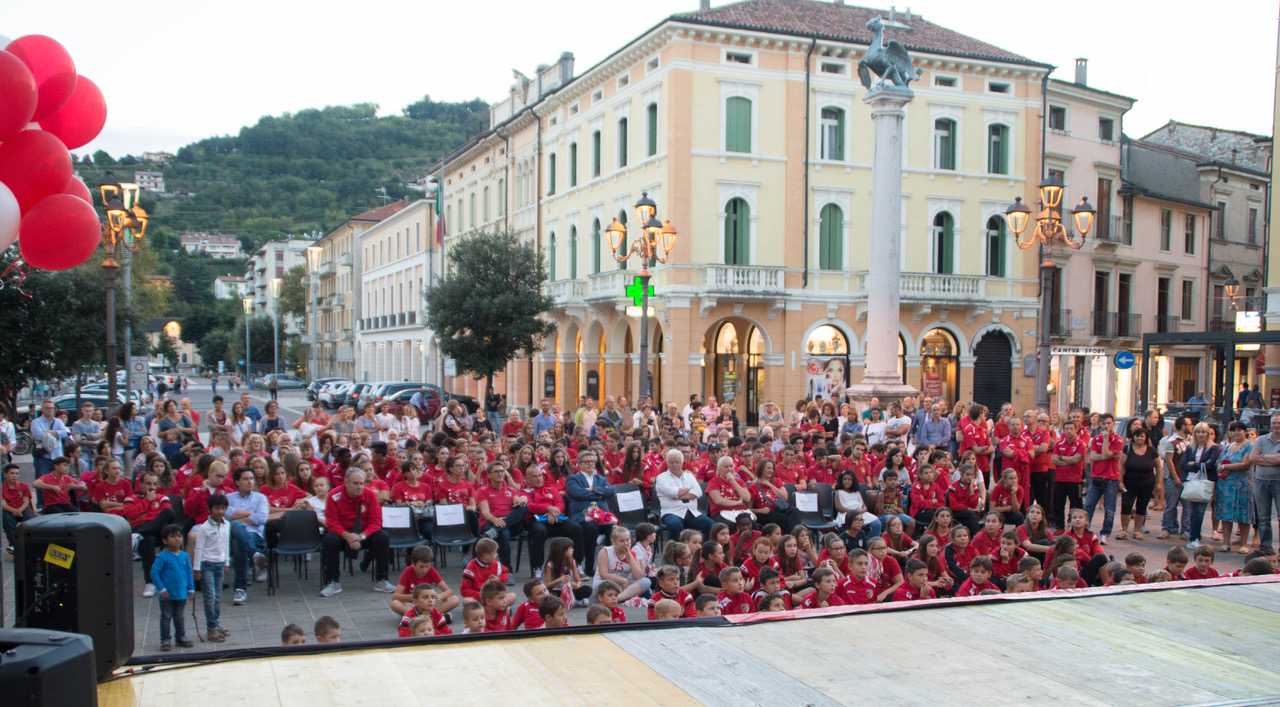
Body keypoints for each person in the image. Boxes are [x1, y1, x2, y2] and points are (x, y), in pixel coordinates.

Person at [320, 468, 394, 597]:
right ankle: (333, 581)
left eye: (361, 483)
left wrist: (360, 536)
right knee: (329, 540)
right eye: (355, 483)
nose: (359, 486)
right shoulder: (333, 495)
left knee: (382, 537)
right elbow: (331, 522)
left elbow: (376, 521)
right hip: (342, 534)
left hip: (363, 534)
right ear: (346, 483)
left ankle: (382, 580)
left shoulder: (369, 495)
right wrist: (348, 536)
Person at [564, 449, 616, 576]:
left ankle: (610, 564)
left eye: (592, 461)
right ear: (579, 464)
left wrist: (593, 489)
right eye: (587, 462)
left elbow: (611, 491)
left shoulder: (601, 479)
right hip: (582, 515)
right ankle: (589, 566)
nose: (590, 464)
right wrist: (599, 494)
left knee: (612, 527)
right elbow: (577, 493)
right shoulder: (573, 478)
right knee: (591, 528)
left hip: (602, 516)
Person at [225, 466, 269, 605]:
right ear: (237, 482)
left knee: (238, 541)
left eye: (251, 478)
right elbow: (227, 515)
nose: (250, 481)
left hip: (255, 537)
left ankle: (240, 589)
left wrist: (237, 518)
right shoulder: (228, 498)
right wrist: (250, 514)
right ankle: (255, 555)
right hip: (234, 536)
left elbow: (262, 518)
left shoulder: (260, 498)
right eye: (245, 479)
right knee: (236, 529)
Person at [192, 493, 231, 643]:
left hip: (220, 563)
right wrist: (197, 568)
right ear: (209, 509)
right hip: (207, 564)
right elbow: (199, 548)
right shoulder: (204, 528)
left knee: (218, 597)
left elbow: (226, 544)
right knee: (210, 597)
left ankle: (215, 623)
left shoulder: (227, 525)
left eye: (223, 508)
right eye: (217, 508)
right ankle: (211, 628)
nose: (220, 512)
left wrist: (226, 562)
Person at [150, 524, 195, 651]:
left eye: (179, 536)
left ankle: (180, 637)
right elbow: (154, 573)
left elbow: (188, 572)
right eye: (173, 537)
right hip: (167, 594)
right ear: (165, 540)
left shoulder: (185, 556)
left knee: (179, 615)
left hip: (181, 593)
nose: (177, 539)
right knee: (166, 616)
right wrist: (162, 589)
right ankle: (165, 639)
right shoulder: (162, 557)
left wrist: (190, 589)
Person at [1083, 413, 1124, 544]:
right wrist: (1106, 454)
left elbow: (1105, 454)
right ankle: (1084, 531)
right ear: (1100, 424)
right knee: (1088, 505)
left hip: (1111, 478)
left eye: (1109, 423)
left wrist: (1106, 440)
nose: (1106, 426)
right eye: (1104, 423)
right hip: (1096, 477)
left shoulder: (1118, 440)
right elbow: (1093, 457)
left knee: (1109, 508)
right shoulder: (1096, 439)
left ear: (1113, 424)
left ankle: (1105, 534)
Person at [1179, 422, 1221, 551]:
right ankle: (1193, 537)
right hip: (1190, 482)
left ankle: (1195, 538)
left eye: (1203, 432)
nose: (1201, 434)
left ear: (1208, 434)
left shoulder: (1214, 448)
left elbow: (1210, 465)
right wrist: (1199, 464)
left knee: (1199, 512)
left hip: (1205, 483)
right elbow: (1183, 464)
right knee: (1190, 512)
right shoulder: (1190, 447)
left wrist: (1194, 464)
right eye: (1198, 432)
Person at [655, 448, 713, 539]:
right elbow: (672, 492)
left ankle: (700, 551)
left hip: (692, 512)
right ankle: (675, 552)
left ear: (682, 463)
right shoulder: (661, 478)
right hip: (671, 512)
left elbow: (698, 492)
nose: (675, 465)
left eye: (677, 462)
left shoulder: (689, 476)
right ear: (667, 463)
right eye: (671, 462)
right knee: (674, 525)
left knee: (711, 525)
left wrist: (678, 495)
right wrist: (689, 490)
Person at [1117, 427, 1160, 542]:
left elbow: (1158, 467)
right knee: (1126, 506)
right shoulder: (1128, 449)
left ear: (1145, 438)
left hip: (1147, 483)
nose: (1139, 438)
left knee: (1142, 507)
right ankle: (1124, 530)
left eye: (1142, 436)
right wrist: (1120, 481)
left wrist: (1159, 483)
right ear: (1133, 437)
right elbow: (1121, 465)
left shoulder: (1151, 450)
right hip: (1129, 483)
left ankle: (1137, 530)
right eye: (1137, 436)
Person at [1248, 414, 1280, 552]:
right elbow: (1252, 457)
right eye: (1274, 423)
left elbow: (1260, 458)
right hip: (1261, 482)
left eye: (1279, 423)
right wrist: (1275, 459)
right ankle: (1265, 547)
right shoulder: (1261, 439)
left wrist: (1263, 457)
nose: (1276, 425)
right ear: (1270, 424)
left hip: (1278, 482)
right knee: (1263, 518)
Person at [30, 400, 70, 481]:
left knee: (57, 480)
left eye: (51, 408)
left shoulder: (58, 421)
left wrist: (49, 433)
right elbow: (38, 435)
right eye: (47, 408)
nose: (50, 410)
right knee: (42, 481)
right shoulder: (36, 422)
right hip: (42, 456)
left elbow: (65, 433)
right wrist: (56, 434)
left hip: (56, 456)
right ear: (42, 409)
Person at [2, 463, 34, 553]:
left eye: (16, 473)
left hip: (22, 509)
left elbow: (26, 501)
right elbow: (3, 504)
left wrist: (20, 510)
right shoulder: (2, 487)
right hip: (9, 509)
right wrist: (13, 510)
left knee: (30, 520)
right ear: (5, 475)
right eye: (11, 473)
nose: (14, 476)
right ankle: (13, 544)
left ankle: (30, 543)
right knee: (7, 520)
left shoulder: (23, 485)